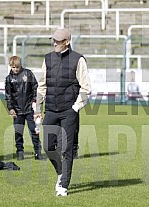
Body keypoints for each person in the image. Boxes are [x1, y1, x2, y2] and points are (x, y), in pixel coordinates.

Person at [35, 28, 91, 197]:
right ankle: (61, 173)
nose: (54, 43)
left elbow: (86, 88)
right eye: (53, 40)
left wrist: (75, 108)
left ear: (67, 42)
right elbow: (42, 85)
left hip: (69, 111)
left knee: (66, 149)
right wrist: (38, 108)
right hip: (51, 110)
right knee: (47, 147)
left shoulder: (78, 59)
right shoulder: (48, 58)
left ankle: (64, 185)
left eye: (58, 41)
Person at [5, 56, 44, 161]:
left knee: (34, 131)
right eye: (13, 67)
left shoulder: (28, 73)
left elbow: (35, 87)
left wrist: (35, 101)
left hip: (30, 109)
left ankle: (38, 152)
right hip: (17, 111)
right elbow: (8, 95)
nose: (15, 69)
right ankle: (20, 152)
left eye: (17, 67)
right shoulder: (9, 79)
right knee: (18, 132)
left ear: (20, 65)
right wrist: (10, 108)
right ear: (10, 66)